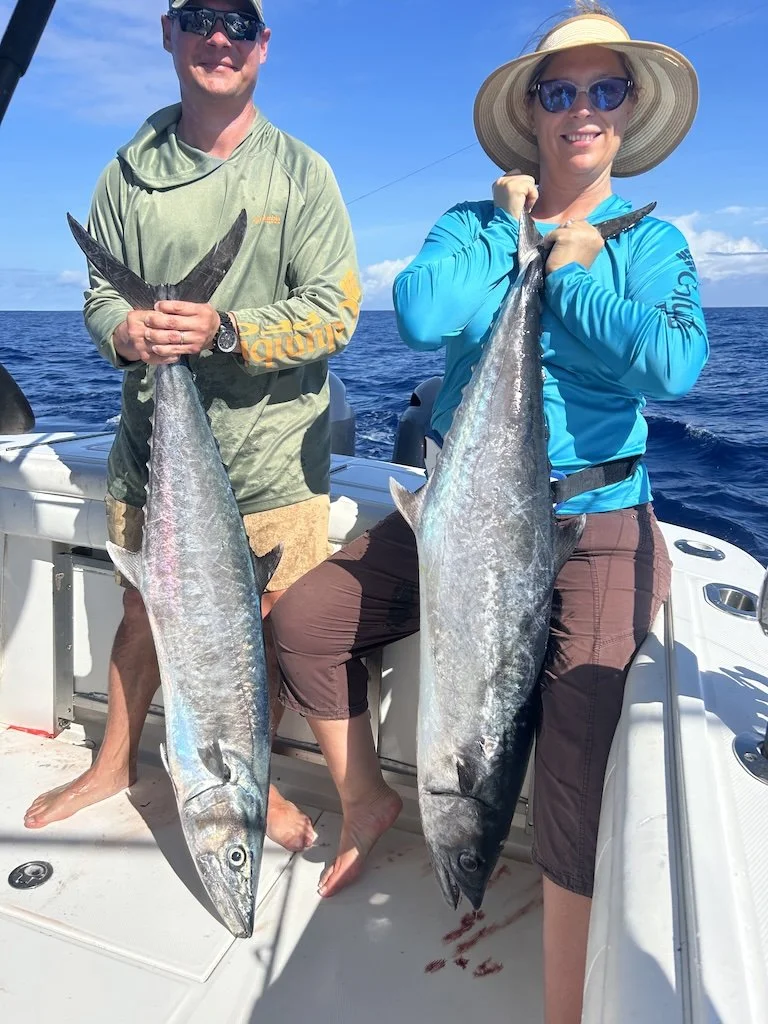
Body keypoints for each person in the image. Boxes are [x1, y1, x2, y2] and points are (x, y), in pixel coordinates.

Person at [269, 3, 707, 1020]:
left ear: (630, 107)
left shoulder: (653, 244)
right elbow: (422, 313)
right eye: (560, 91)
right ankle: (369, 799)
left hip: (596, 519)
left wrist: (580, 271)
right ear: (532, 111)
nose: (582, 110)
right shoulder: (473, 224)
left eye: (604, 89)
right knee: (306, 622)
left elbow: (676, 366)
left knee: (574, 758)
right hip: (469, 505)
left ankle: (561, 1007)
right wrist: (513, 231)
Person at [23, 0, 361, 854]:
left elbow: (337, 313)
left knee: (271, 625)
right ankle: (113, 763)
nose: (221, 38)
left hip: (276, 455)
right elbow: (100, 299)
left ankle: (258, 780)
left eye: (239, 23)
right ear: (168, 32)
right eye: (201, 18)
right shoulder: (126, 174)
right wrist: (123, 332)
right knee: (142, 609)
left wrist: (228, 328)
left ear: (263, 45)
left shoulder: (302, 173)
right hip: (154, 448)